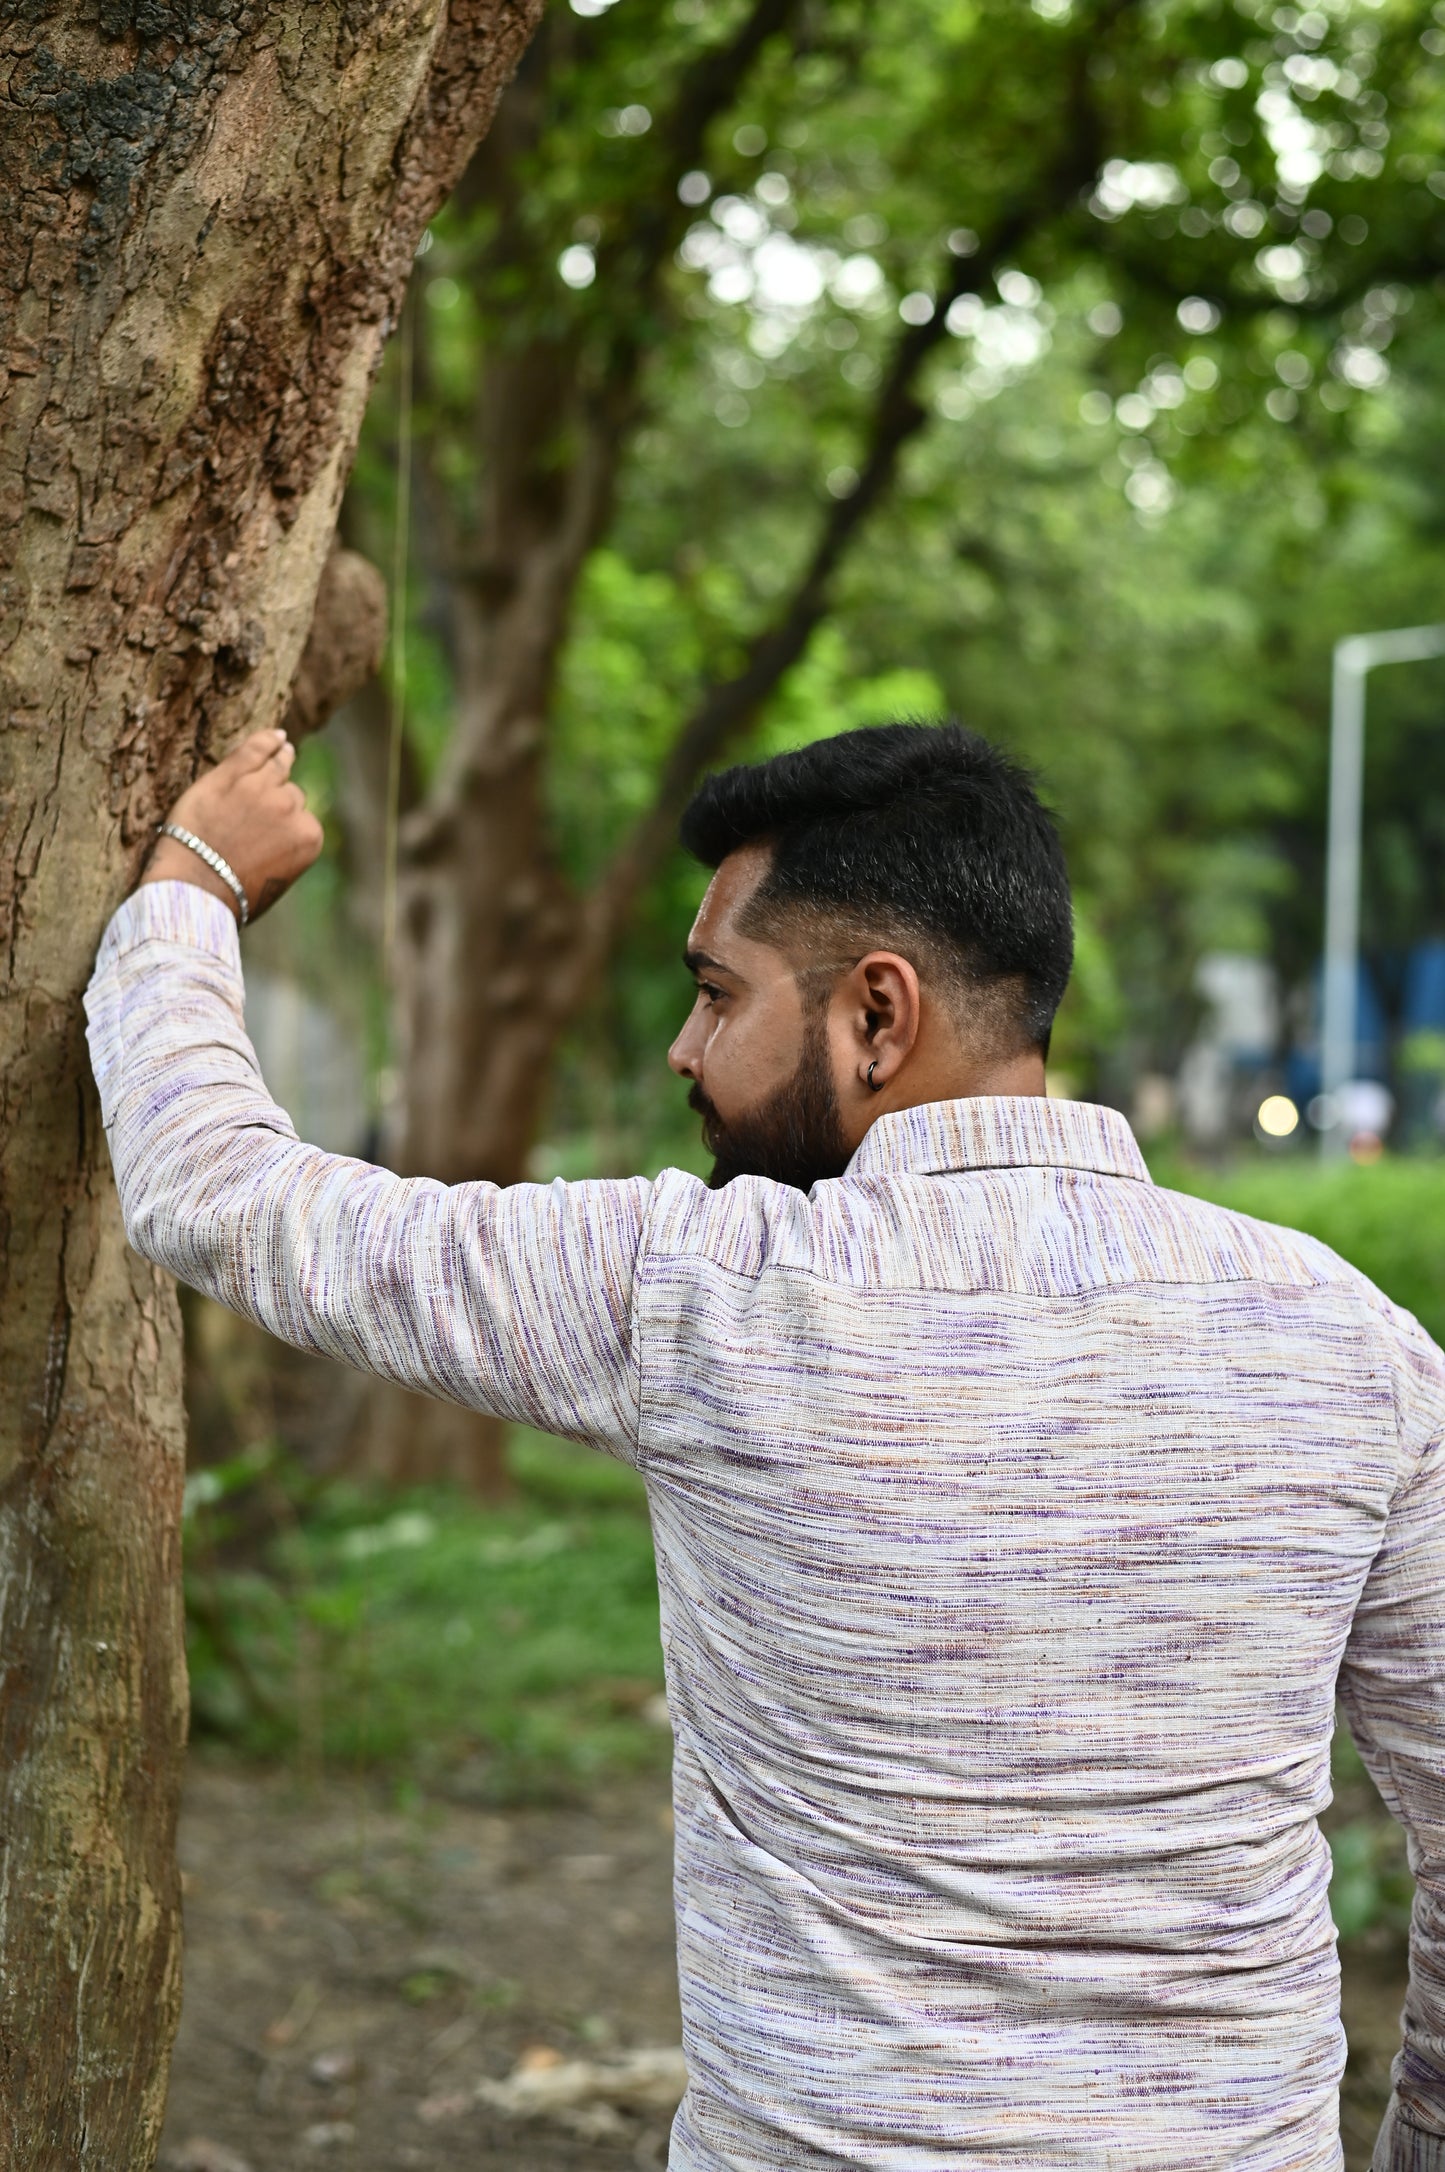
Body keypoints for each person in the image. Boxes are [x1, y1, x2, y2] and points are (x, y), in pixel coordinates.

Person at [86, 719, 1445, 2172]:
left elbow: (221, 1194)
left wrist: (192, 881)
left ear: (876, 1015)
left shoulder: (700, 1294)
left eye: (715, 995)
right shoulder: (1352, 1345)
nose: (682, 1049)